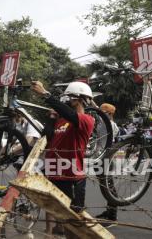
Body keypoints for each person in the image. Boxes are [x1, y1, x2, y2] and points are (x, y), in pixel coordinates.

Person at [31, 81, 95, 238]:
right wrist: (52, 118)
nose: (66, 100)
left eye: (70, 97)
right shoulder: (61, 120)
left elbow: (71, 114)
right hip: (54, 175)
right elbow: (47, 137)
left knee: (73, 223)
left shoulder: (86, 120)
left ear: (79, 99)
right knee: (62, 220)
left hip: (72, 178)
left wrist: (46, 94)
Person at [96, 103, 120, 226]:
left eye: (103, 112)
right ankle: (109, 212)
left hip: (106, 159)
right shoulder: (105, 123)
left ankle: (112, 217)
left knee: (109, 188)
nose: (100, 114)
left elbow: (97, 114)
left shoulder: (109, 125)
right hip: (102, 158)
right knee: (106, 187)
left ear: (109, 114)